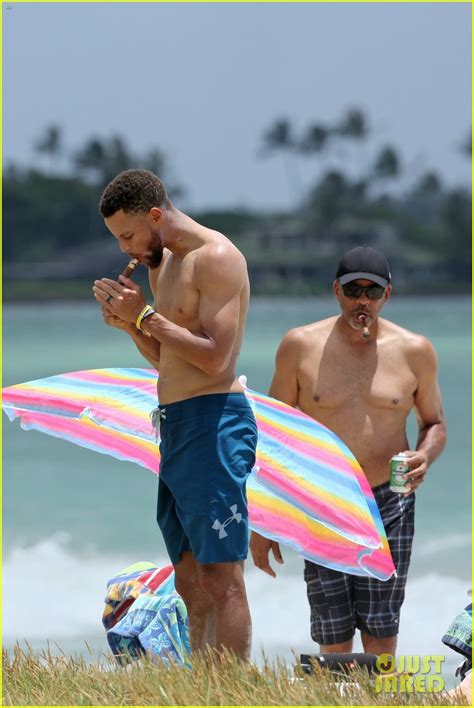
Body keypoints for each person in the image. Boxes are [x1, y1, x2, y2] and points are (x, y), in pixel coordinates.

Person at [92, 169, 257, 659]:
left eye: (128, 235)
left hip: (216, 419)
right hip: (176, 423)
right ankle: (202, 681)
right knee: (188, 576)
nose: (125, 249)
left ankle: (232, 688)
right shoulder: (159, 264)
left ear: (156, 217)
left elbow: (215, 359)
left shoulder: (218, 257)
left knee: (221, 573)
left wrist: (144, 316)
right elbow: (168, 358)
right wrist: (129, 326)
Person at [250, 245, 446, 657]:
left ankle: (378, 702)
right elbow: (272, 435)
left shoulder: (416, 350)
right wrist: (264, 522)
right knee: (332, 633)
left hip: (390, 500)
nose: (362, 301)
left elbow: (435, 424)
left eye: (372, 292)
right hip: (324, 498)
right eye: (353, 290)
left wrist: (424, 456)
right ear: (335, 291)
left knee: (381, 631)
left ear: (387, 295)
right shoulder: (300, 346)